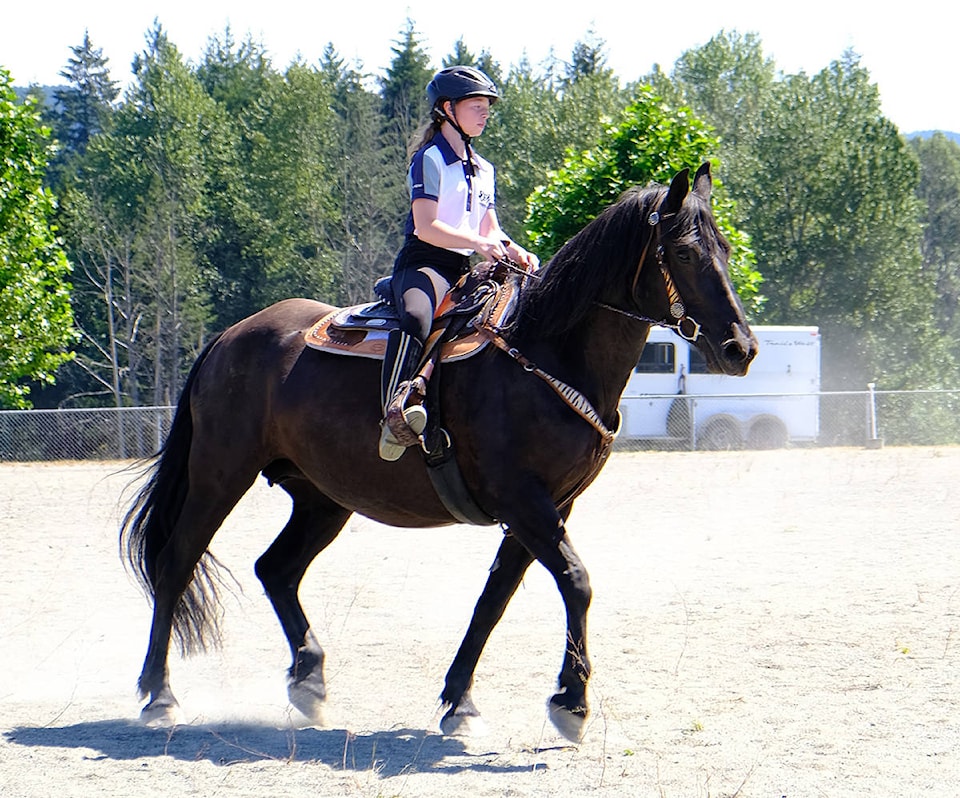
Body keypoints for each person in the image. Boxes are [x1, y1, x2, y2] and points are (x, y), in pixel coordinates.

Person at [378, 65, 539, 461]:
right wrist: (481, 243)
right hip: (425, 263)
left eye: (488, 107)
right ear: (447, 108)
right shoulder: (428, 159)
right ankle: (393, 412)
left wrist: (515, 248)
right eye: (477, 106)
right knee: (416, 317)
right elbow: (427, 227)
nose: (486, 113)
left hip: (465, 267)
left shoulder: (485, 168)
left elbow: (491, 227)